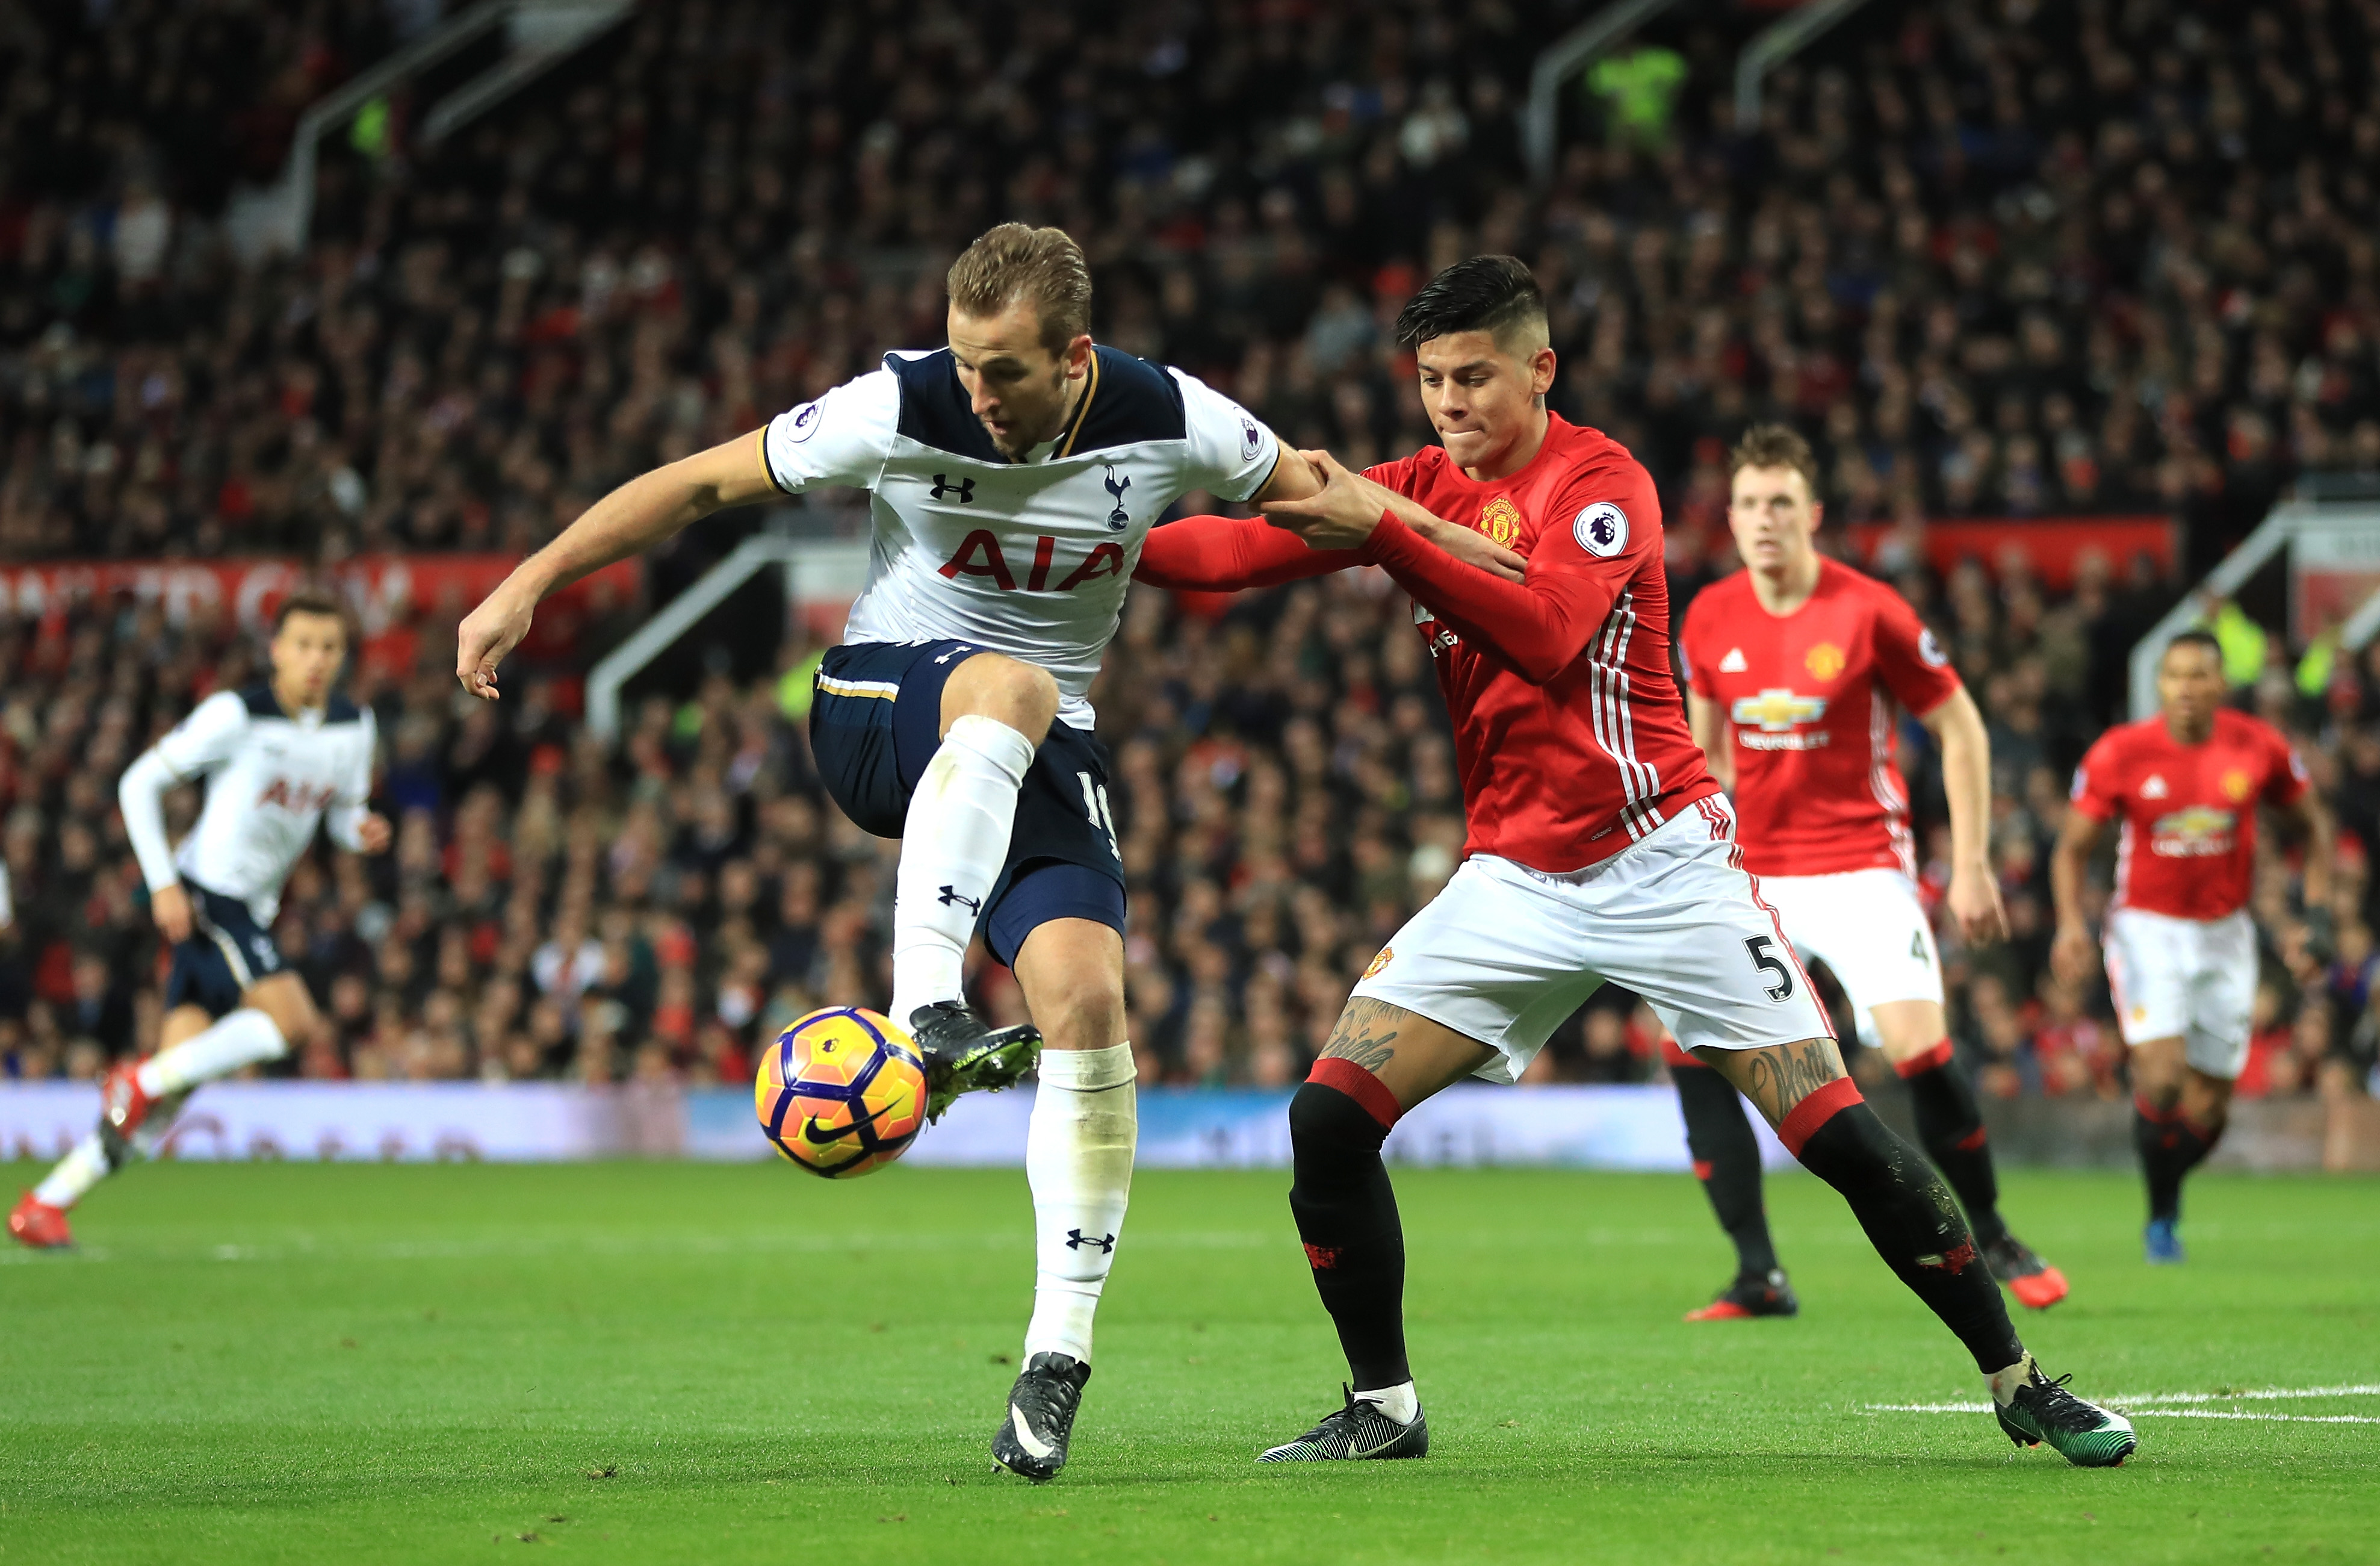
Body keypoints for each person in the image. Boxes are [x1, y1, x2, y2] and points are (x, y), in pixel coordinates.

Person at [450, 223, 1517, 1483]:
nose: (976, 392)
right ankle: (927, 1009)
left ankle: (1054, 1361)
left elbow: (1317, 487)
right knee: (1006, 685)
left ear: (1074, 359)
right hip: (877, 702)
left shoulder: (1170, 416)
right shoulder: (898, 402)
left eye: (1002, 370)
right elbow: (695, 484)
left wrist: (1476, 554)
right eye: (963, 363)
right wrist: (529, 581)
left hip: (1038, 731)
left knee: (1088, 999)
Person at [1136, 255, 2134, 1468]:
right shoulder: (1416, 484)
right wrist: (1089, 537)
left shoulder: (1601, 482)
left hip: (1665, 865)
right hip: (1511, 879)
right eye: (1432, 381)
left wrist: (1389, 536)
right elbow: (1231, 552)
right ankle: (1384, 1406)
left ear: (1540, 367)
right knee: (1329, 1116)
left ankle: (2020, 1380)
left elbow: (1551, 633)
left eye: (1475, 377)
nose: (1451, 404)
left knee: (1841, 1138)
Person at [1669, 423, 2067, 1321]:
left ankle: (1993, 1230)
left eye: (1780, 503)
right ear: (1727, 519)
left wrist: (1967, 865)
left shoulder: (1869, 610)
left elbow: (1959, 726)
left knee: (1919, 1049)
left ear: (1810, 513)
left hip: (1860, 867)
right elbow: (1707, 753)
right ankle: (1757, 1274)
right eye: (1747, 504)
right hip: (1752, 874)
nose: (1764, 519)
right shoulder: (1709, 616)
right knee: (1684, 1046)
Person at [9, 591, 389, 1249]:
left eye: (329, 647)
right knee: (294, 1022)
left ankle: (45, 1202)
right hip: (211, 895)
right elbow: (137, 783)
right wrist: (162, 883)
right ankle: (138, 1079)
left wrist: (361, 831)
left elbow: (340, 816)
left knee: (173, 1090)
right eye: (302, 645)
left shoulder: (354, 726)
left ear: (343, 655)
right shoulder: (237, 714)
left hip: (255, 905)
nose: (315, 660)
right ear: (275, 649)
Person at [2051, 629, 2333, 1263]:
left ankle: (2166, 1189)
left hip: (2226, 936)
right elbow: (2072, 848)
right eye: (2174, 675)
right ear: (2160, 684)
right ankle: (2161, 1219)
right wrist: (2071, 923)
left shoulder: (2257, 746)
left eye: (2198, 676)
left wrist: (2314, 915)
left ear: (2219, 683)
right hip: (2147, 929)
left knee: (2209, 1108)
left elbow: (2313, 825)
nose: (2185, 688)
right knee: (2161, 1075)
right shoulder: (2121, 752)